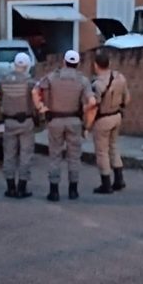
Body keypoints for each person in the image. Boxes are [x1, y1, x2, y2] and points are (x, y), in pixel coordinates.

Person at [33, 50, 95, 202]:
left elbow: (35, 91)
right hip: (74, 120)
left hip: (55, 120)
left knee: (55, 156)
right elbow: (92, 102)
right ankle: (73, 190)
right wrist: (83, 110)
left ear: (64, 62)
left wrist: (41, 108)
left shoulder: (51, 77)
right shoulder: (83, 80)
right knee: (74, 156)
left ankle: (54, 191)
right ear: (78, 64)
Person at [89, 50, 131, 194]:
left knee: (102, 152)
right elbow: (127, 99)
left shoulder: (97, 84)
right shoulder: (119, 77)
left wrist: (87, 123)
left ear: (96, 65)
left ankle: (106, 183)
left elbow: (93, 105)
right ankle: (119, 179)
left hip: (103, 118)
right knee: (113, 147)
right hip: (116, 115)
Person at [0, 52, 35, 199]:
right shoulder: (29, 82)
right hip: (25, 121)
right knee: (25, 155)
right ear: (27, 65)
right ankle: (22, 188)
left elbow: (0, 93)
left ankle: (10, 187)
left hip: (9, 122)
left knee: (9, 155)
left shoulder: (4, 80)